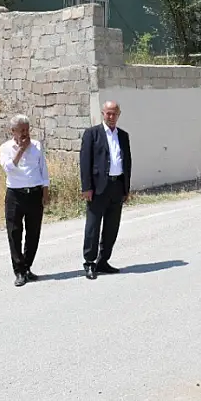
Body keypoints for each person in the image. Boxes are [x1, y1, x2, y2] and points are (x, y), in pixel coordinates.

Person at [79, 100, 131, 280]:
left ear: (119, 115)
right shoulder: (92, 134)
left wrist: (126, 188)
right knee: (93, 227)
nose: (111, 116)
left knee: (112, 227)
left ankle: (103, 260)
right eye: (108, 113)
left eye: (114, 113)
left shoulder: (123, 135)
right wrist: (86, 187)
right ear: (103, 113)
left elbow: (127, 162)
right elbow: (85, 163)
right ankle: (90, 262)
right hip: (98, 188)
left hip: (117, 187)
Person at [0, 114, 50, 287]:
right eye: (21, 131)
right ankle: (19, 271)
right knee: (14, 233)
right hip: (15, 194)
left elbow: (43, 169)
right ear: (13, 131)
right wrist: (20, 149)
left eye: (27, 130)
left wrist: (45, 191)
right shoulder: (6, 148)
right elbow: (8, 169)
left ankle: (27, 266)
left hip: (34, 193)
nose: (25, 134)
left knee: (33, 232)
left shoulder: (37, 145)